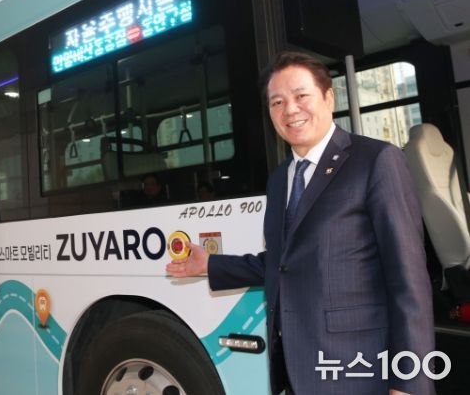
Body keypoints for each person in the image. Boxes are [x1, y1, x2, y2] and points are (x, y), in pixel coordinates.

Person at [166, 52, 435, 395]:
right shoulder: (280, 179)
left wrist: (410, 383)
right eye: (277, 102)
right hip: (297, 368)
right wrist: (210, 264)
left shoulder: (377, 161)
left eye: (301, 95)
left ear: (328, 98)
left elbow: (409, 281)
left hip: (360, 370)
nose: (290, 110)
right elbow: (283, 262)